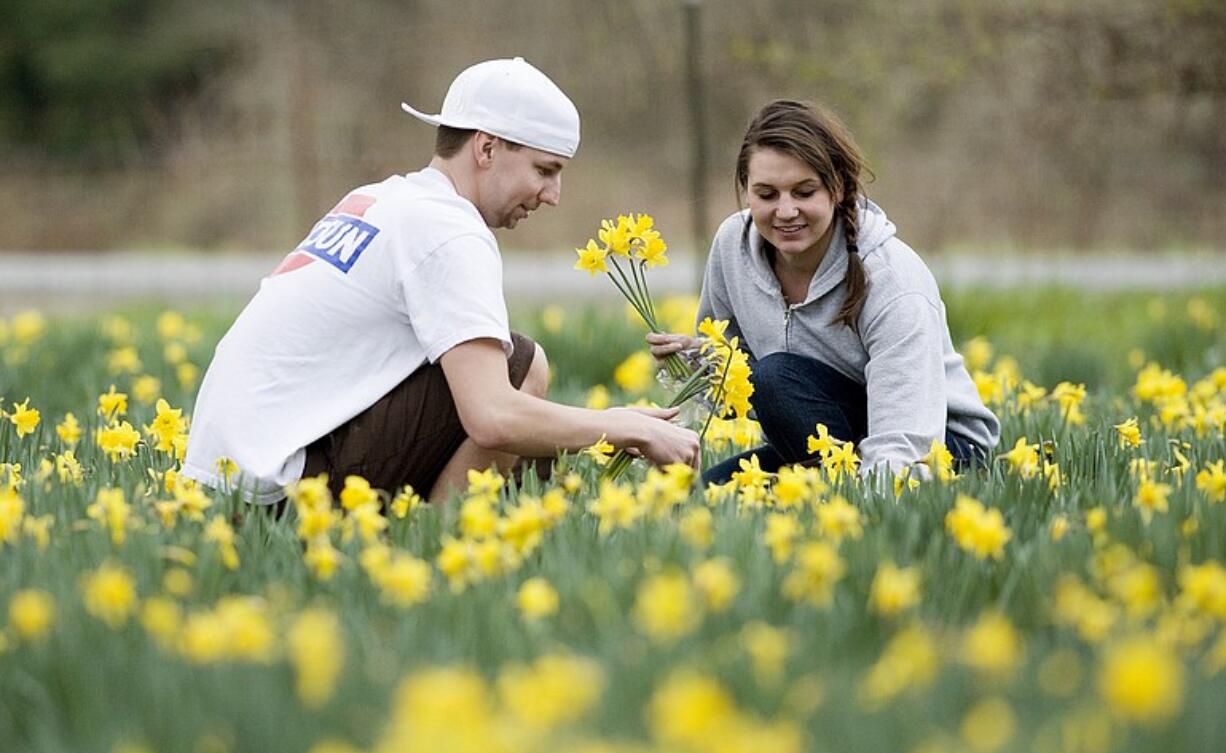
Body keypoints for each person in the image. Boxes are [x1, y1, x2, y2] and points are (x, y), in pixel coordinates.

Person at [183, 57, 700, 506]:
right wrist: (627, 426)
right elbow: (493, 418)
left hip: (220, 485)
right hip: (277, 495)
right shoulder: (447, 229)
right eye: (545, 170)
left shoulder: (382, 200)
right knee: (521, 365)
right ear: (487, 148)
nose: (553, 195)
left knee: (495, 371)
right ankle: (434, 545)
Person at [647, 99, 999, 484]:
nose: (784, 211)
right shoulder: (733, 245)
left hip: (938, 447)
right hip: (832, 435)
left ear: (839, 188)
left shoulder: (892, 281)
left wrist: (858, 508)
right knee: (707, 493)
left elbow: (906, 439)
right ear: (745, 190)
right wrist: (697, 367)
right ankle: (824, 483)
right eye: (766, 195)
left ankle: (833, 489)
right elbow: (737, 390)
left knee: (775, 377)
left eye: (803, 192)